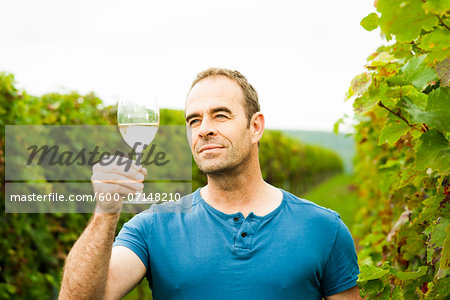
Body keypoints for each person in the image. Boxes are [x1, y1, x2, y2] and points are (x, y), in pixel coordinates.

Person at [59, 68, 361, 300]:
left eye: (220, 115)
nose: (204, 130)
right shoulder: (152, 227)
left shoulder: (324, 229)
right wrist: (105, 211)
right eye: (194, 120)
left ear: (255, 127)